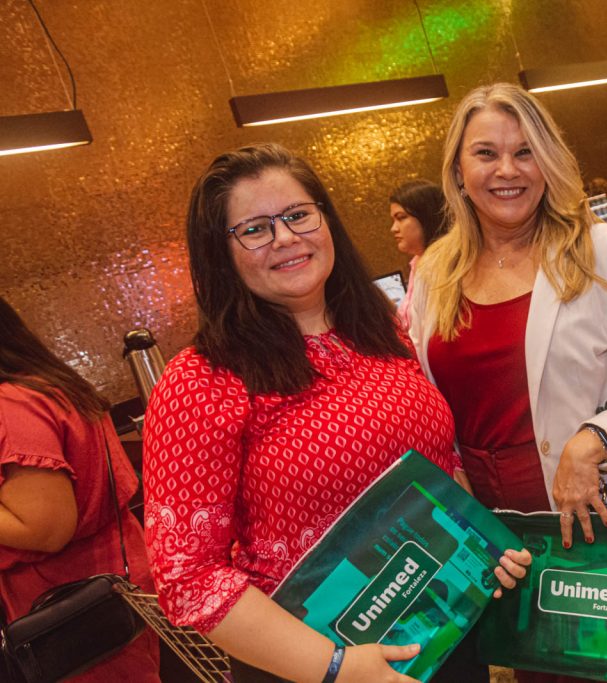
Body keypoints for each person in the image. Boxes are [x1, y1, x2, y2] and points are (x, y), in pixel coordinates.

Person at [143, 143, 529, 683]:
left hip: (438, 629)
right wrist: (336, 666)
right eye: (254, 229)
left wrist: (482, 543)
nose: (285, 238)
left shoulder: (381, 333)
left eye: (298, 215)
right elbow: (188, 577)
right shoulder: (201, 381)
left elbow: (438, 469)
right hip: (313, 662)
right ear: (219, 254)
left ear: (326, 221)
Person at [408, 84, 607, 683]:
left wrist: (591, 442)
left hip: (591, 517)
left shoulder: (602, 251)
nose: (507, 169)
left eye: (525, 151)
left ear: (549, 162)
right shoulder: (432, 273)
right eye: (486, 153)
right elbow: (424, 398)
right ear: (458, 169)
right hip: (491, 537)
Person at [0, 297, 160, 682]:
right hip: (105, 592)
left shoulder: (11, 405)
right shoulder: (44, 386)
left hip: (69, 608)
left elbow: (46, 528)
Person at [389, 179, 448, 329]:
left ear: (427, 217)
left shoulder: (443, 265)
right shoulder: (419, 260)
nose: (394, 228)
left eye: (401, 218)